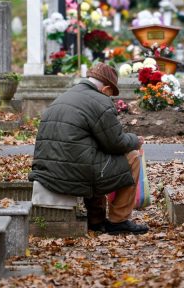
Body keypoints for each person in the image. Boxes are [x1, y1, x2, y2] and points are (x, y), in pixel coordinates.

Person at [28, 63, 148, 234]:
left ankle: (96, 220)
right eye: (111, 94)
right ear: (106, 88)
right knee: (133, 157)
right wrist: (135, 140)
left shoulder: (63, 97)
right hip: (75, 174)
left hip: (48, 171)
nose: (110, 98)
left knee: (92, 155)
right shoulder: (99, 101)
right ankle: (118, 221)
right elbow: (116, 143)